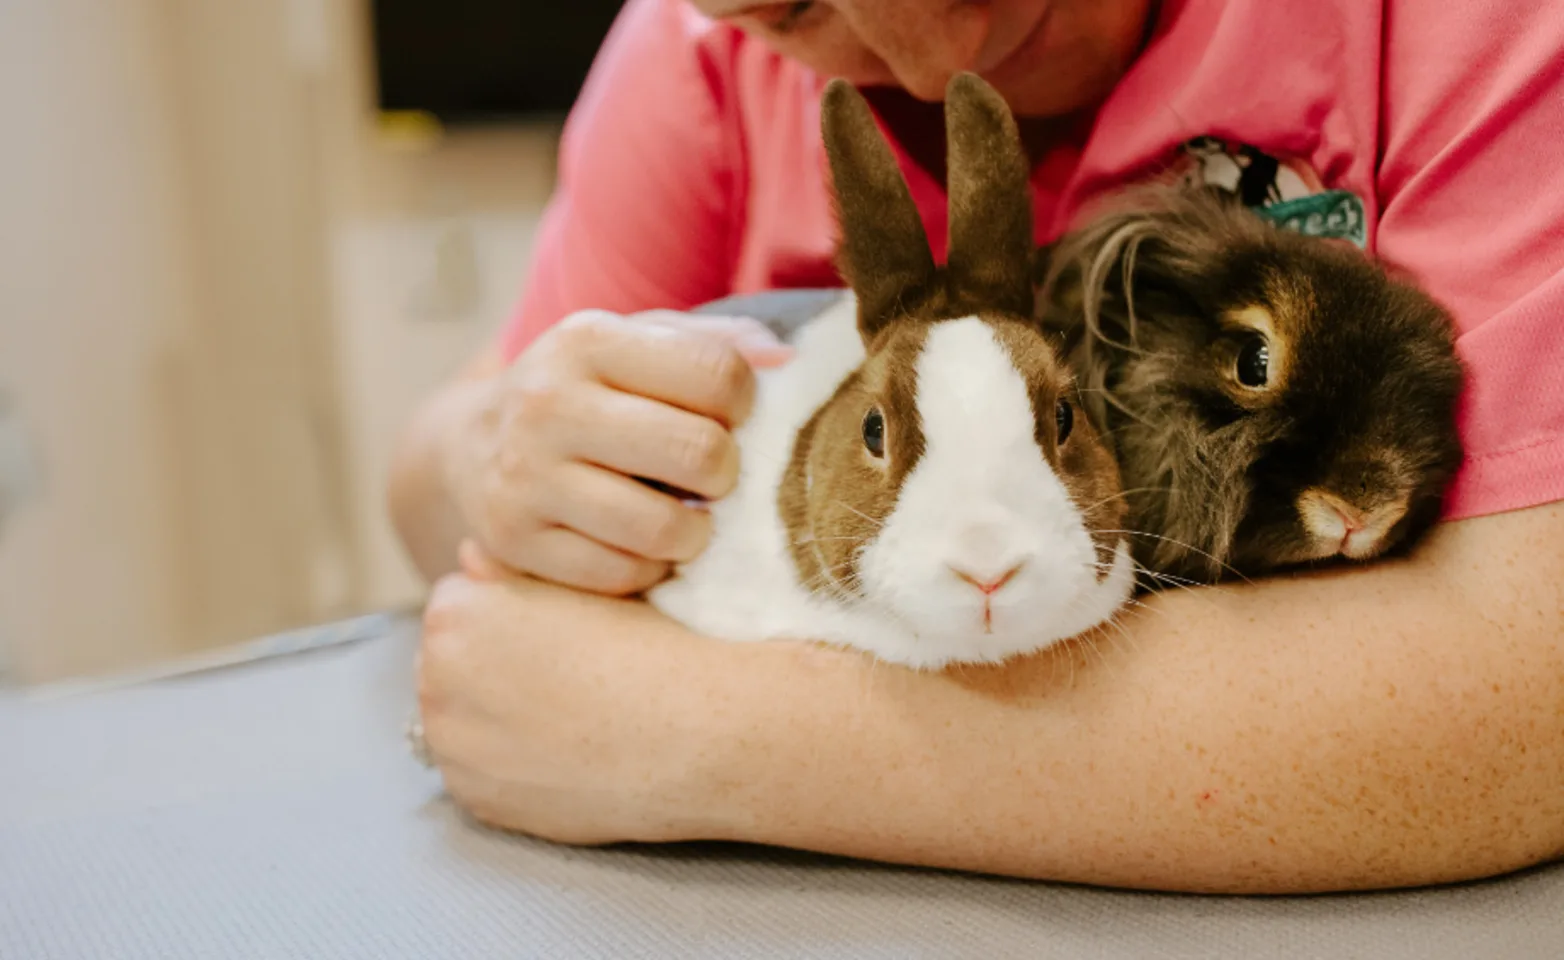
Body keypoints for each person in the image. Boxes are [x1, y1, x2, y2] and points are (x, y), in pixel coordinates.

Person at [388, 0, 1564, 894]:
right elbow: (432, 466)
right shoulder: (696, 55)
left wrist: (701, 736)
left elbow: (1528, 683)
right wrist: (492, 455)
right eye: (797, 8)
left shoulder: (1459, 30)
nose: (926, 48)